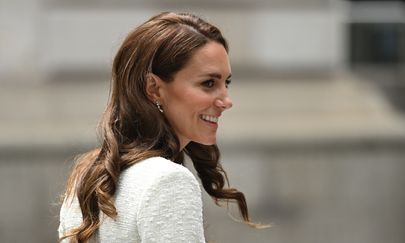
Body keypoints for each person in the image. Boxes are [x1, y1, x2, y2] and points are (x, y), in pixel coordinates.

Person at [58, 12, 257, 243]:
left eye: (226, 83)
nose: (226, 100)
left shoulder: (89, 177)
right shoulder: (168, 181)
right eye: (208, 83)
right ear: (154, 88)